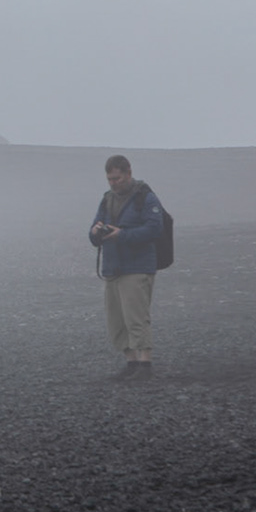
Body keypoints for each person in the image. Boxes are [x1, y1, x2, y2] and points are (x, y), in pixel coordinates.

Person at [88, 154, 164, 378]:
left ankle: (145, 363)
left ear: (128, 173)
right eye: (110, 179)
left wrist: (123, 235)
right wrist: (95, 233)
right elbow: (94, 229)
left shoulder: (145, 197)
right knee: (117, 318)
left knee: (136, 316)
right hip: (113, 267)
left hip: (137, 266)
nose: (113, 183)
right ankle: (131, 363)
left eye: (117, 178)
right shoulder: (107, 199)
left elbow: (154, 229)